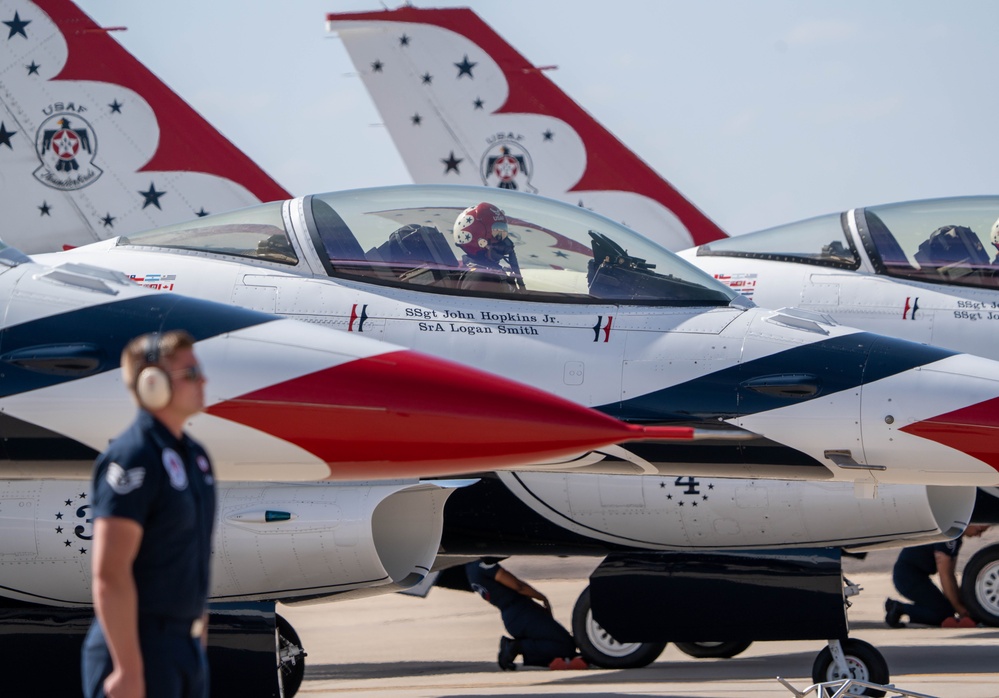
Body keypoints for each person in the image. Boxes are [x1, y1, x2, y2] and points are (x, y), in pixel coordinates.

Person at [81, 331, 216, 698]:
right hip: (138, 649)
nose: (202, 380)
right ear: (151, 384)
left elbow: (190, 562)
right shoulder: (133, 457)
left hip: (182, 650)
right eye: (189, 373)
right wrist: (128, 667)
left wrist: (195, 641)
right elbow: (110, 572)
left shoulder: (194, 457)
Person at [465, 558, 586, 671]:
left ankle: (532, 653)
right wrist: (542, 597)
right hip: (522, 612)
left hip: (512, 616)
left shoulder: (470, 570)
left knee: (560, 642)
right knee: (566, 645)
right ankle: (516, 647)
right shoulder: (482, 565)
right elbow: (518, 586)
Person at [885, 525, 990, 628]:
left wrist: (961, 604)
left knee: (947, 608)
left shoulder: (955, 538)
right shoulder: (948, 535)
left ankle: (908, 609)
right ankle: (899, 608)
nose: (979, 535)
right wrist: (960, 609)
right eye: (979, 529)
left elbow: (950, 574)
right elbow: (945, 575)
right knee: (942, 614)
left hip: (915, 575)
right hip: (907, 576)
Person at [452, 202, 525, 291]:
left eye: (503, 233)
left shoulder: (491, 272)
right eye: (497, 234)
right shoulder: (483, 279)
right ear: (480, 240)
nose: (504, 242)